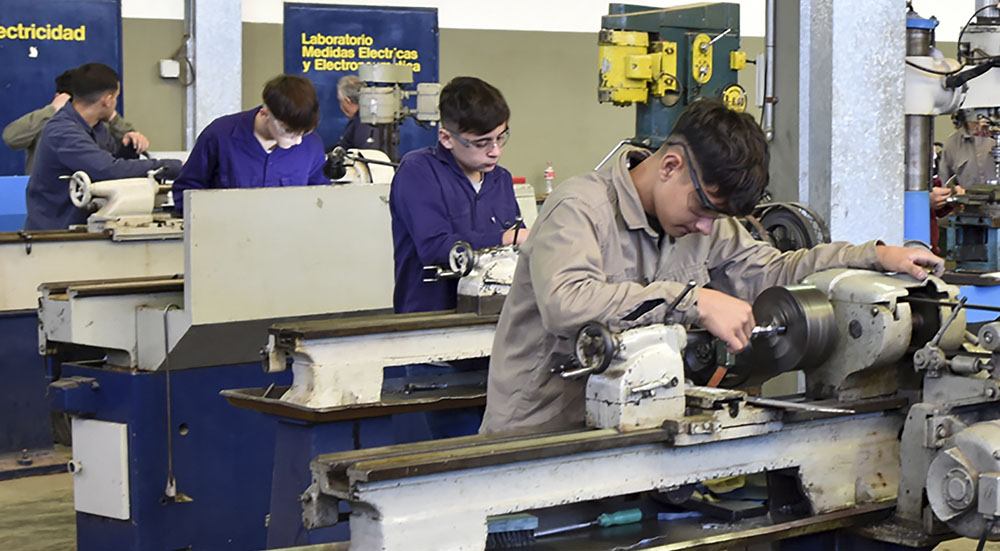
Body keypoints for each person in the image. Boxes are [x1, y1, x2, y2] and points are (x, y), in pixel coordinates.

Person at [479, 99, 945, 434]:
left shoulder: (705, 226)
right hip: (534, 438)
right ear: (670, 166)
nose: (706, 228)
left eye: (718, 217)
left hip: (629, 430)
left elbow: (775, 273)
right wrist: (694, 300)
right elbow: (567, 304)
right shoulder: (580, 208)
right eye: (703, 208)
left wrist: (872, 256)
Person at [389, 76, 528, 314]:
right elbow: (434, 247)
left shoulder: (500, 180)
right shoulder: (418, 172)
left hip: (493, 313)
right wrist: (507, 238)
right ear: (446, 138)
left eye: (500, 137)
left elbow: (519, 246)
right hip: (431, 318)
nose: (495, 151)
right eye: (482, 142)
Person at [24, 63, 181, 231]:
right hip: (53, 234)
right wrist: (171, 167)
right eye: (116, 97)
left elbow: (110, 173)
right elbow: (106, 170)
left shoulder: (97, 128)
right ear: (107, 100)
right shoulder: (62, 132)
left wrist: (128, 150)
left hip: (84, 228)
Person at [171, 74, 328, 213]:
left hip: (289, 240)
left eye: (304, 133)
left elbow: (322, 201)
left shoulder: (311, 145)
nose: (298, 141)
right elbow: (187, 191)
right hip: (228, 239)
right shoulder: (219, 136)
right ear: (265, 113)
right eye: (289, 132)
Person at [3, 67, 149, 174]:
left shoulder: (100, 127)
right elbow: (11, 138)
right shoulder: (50, 124)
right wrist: (52, 110)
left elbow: (121, 156)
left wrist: (112, 117)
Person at [940, 109, 995, 188]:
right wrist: (953, 191)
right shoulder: (952, 144)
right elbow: (943, 183)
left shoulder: (995, 136)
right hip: (968, 199)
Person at [332, 74, 384, 152]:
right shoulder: (367, 118)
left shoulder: (364, 124)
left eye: (340, 101)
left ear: (347, 101)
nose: (340, 105)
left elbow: (366, 158)